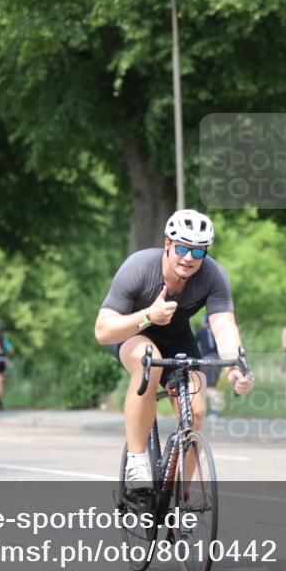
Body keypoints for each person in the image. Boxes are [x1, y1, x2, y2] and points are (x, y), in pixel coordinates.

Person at [95, 209, 254, 491]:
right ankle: (137, 459)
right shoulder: (139, 267)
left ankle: (181, 496)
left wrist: (235, 369)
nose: (188, 258)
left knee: (197, 412)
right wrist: (148, 316)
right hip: (133, 332)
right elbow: (103, 331)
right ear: (167, 243)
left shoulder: (213, 276)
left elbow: (224, 326)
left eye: (198, 252)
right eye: (181, 247)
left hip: (178, 338)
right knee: (149, 361)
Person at [194, 314, 224, 416]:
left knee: (207, 387)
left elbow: (192, 344)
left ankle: (217, 400)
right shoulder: (217, 332)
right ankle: (214, 411)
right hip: (218, 360)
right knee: (213, 386)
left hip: (206, 360)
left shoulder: (201, 331)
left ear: (204, 322)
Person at [0, 321, 15, 409]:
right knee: (0, 383)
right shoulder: (3, 339)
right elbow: (11, 350)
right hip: (1, 362)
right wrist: (5, 354)